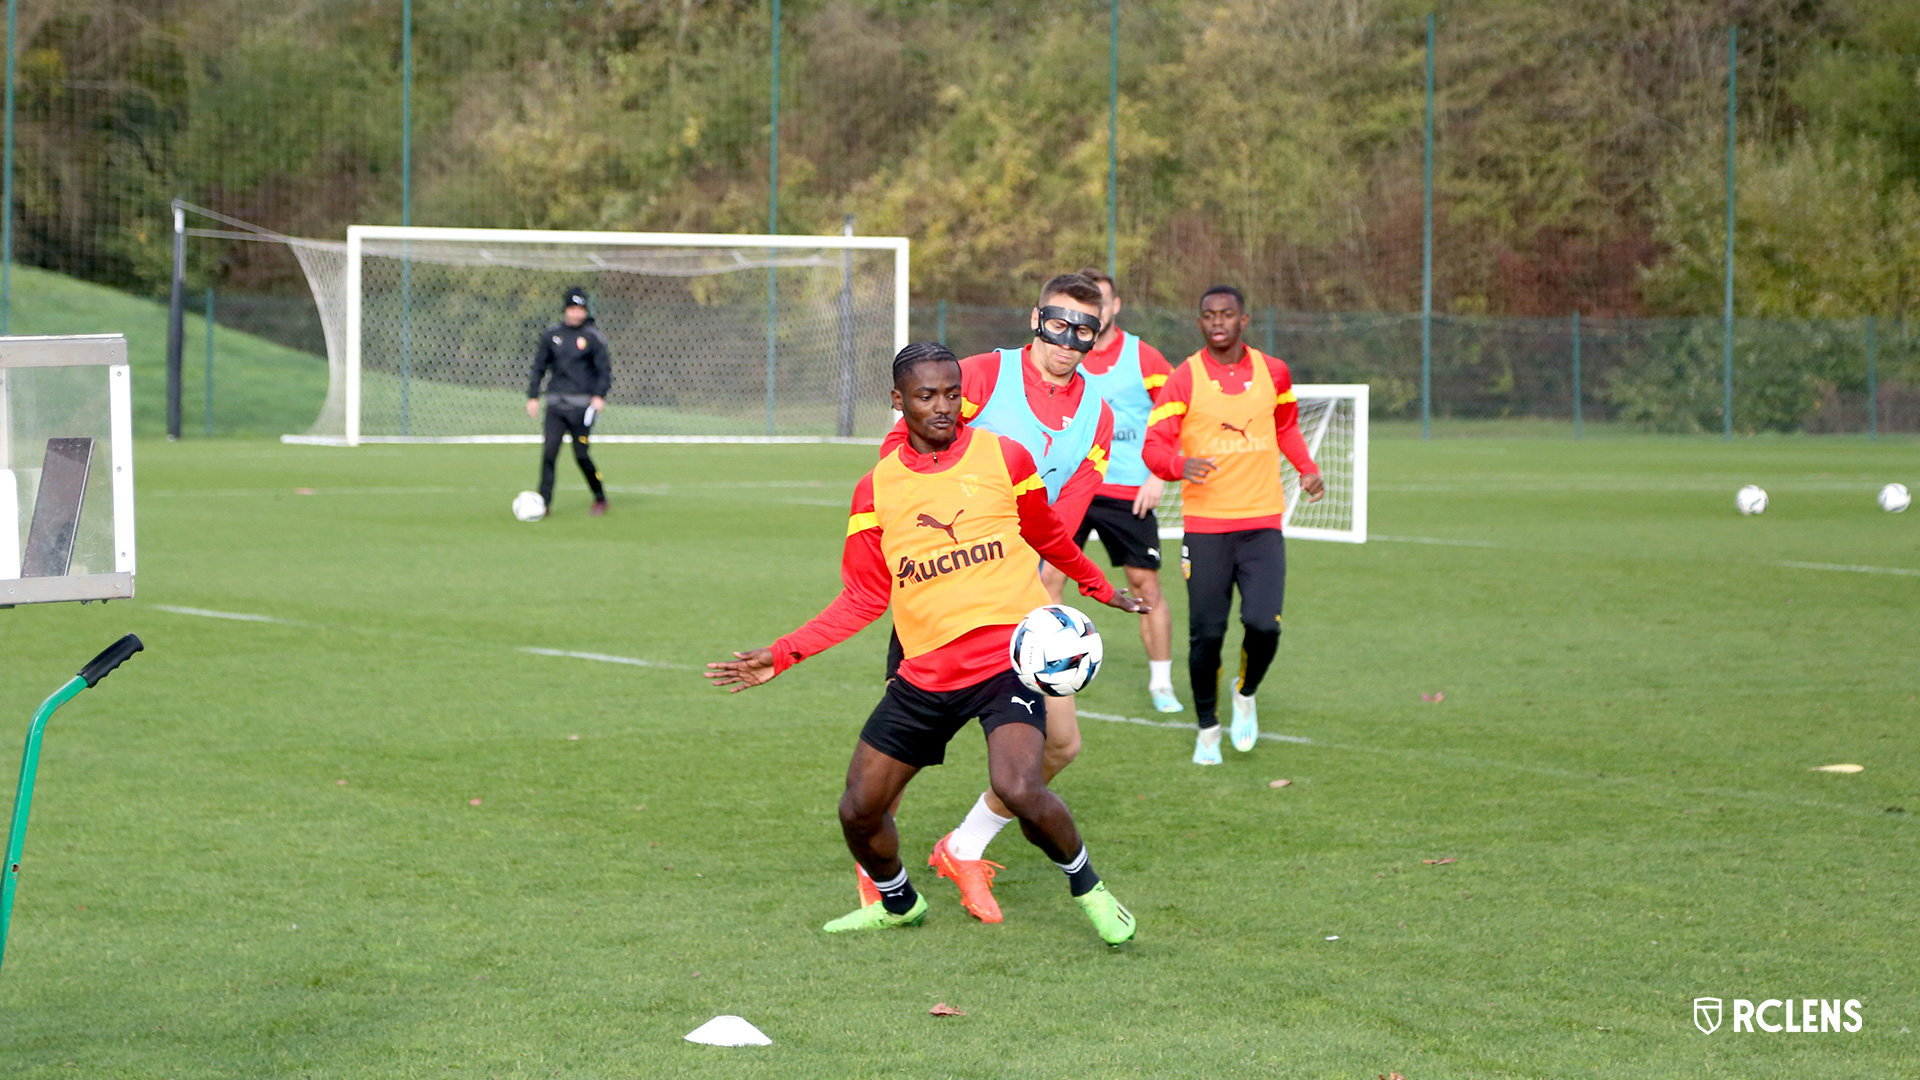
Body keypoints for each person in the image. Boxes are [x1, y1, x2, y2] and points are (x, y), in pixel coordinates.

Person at [706, 343, 1145, 945]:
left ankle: (1089, 888)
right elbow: (863, 597)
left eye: (951, 394)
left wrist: (1097, 588)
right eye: (925, 396)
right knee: (858, 809)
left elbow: (1047, 535)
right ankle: (898, 902)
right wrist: (784, 653)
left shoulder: (1004, 457)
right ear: (898, 402)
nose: (943, 407)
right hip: (927, 674)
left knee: (1020, 786)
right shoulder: (876, 489)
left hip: (1006, 664)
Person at [873, 272, 1114, 925]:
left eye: (1084, 329)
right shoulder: (980, 376)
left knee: (1059, 747)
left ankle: (964, 845)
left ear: (1099, 334)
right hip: (939, 590)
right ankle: (875, 879)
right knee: (904, 744)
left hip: (1024, 606)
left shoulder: (1099, 413)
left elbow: (1062, 520)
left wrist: (1053, 593)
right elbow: (903, 447)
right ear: (1036, 318)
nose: (1069, 338)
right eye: (1059, 322)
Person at [1142, 285, 1324, 765]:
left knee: (1264, 625)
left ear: (1245, 320)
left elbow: (1285, 426)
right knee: (1207, 634)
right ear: (1199, 323)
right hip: (1205, 529)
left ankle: (1246, 692)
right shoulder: (1183, 378)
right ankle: (1207, 728)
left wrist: (1306, 467)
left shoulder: (1274, 371)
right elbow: (1154, 447)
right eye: (1207, 315)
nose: (1217, 321)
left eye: (1226, 314)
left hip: (1262, 525)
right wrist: (1180, 466)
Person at [1035, 268, 1182, 714]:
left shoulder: (1145, 358)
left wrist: (1159, 475)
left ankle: (1161, 683)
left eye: (1101, 302)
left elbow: (1178, 414)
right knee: (1047, 579)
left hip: (1127, 491)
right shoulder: (1061, 354)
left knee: (1145, 587)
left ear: (1113, 307)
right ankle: (1049, 665)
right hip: (1071, 488)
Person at [525, 284, 611, 518]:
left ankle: (600, 497)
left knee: (581, 454)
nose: (576, 313)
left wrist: (599, 395)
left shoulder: (593, 338)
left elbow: (604, 371)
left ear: (585, 311)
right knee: (549, 454)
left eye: (580, 308)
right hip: (556, 405)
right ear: (565, 309)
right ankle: (543, 504)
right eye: (572, 308)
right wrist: (533, 395)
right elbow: (539, 367)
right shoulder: (552, 335)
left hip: (582, 408)